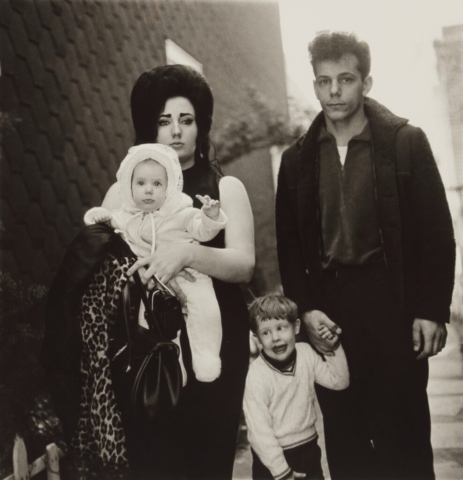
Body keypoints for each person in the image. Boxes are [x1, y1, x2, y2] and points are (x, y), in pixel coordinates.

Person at [276, 32, 456, 480]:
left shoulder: (404, 143)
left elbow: (436, 231)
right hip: (332, 310)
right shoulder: (297, 159)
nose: (334, 91)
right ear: (314, 85)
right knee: (346, 439)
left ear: (366, 82)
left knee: (405, 438)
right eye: (323, 82)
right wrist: (308, 309)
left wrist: (431, 310)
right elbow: (290, 246)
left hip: (391, 303)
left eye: (346, 79)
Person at [102, 65, 255, 479]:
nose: (175, 131)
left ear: (200, 126)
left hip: (216, 343)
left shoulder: (226, 188)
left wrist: (187, 254)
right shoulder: (125, 190)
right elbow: (107, 269)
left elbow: (243, 264)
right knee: (155, 461)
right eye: (164, 121)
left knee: (209, 462)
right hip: (146, 346)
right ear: (149, 127)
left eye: (186, 120)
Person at [84, 143, 227, 383]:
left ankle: (207, 356)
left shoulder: (181, 211)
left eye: (157, 184)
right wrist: (98, 217)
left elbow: (202, 231)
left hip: (187, 274)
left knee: (205, 308)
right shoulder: (125, 216)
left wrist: (210, 217)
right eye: (141, 183)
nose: (148, 190)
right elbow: (103, 226)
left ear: (169, 187)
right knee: (151, 324)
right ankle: (170, 369)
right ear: (129, 187)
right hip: (148, 283)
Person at [243, 294, 349, 480]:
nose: (275, 338)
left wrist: (333, 347)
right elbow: (259, 433)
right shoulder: (256, 375)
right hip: (271, 459)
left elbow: (339, 382)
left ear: (296, 327)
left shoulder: (306, 354)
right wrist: (282, 473)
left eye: (281, 328)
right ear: (257, 337)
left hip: (308, 449)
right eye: (266, 332)